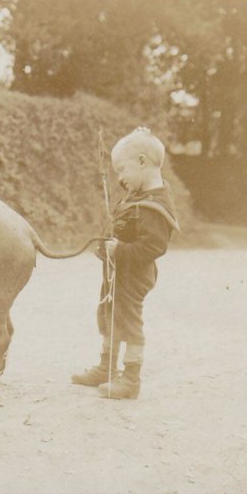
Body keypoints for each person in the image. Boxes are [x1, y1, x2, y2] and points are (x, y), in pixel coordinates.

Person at [71, 127, 180, 399]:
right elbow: (121, 228)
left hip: (134, 275)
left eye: (122, 170)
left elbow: (153, 247)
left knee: (129, 321)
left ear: (142, 162)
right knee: (109, 313)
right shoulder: (136, 196)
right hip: (117, 271)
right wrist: (106, 246)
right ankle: (106, 367)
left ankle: (131, 378)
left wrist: (118, 250)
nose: (119, 178)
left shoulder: (155, 206)